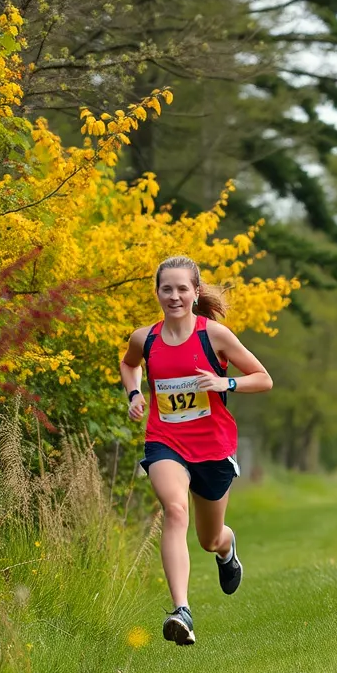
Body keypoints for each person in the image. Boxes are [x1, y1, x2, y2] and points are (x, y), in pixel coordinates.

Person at [119, 255, 272, 646]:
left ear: (195, 292)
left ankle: (226, 547)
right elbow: (129, 364)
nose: (174, 296)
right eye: (166, 289)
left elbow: (263, 378)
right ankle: (181, 610)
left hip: (213, 446)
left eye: (182, 289)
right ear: (157, 292)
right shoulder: (145, 338)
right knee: (174, 510)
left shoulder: (214, 336)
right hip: (165, 440)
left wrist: (227, 384)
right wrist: (135, 393)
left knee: (209, 538)